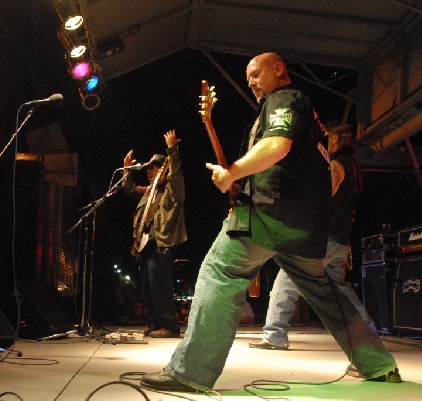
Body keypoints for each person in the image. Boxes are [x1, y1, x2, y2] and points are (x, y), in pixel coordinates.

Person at [140, 52, 400, 392]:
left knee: (220, 273)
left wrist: (232, 172)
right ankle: (379, 365)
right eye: (246, 76)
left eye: (255, 72)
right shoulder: (307, 116)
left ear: (279, 69)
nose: (249, 80)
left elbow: (276, 146)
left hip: (266, 215)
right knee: (328, 294)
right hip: (303, 228)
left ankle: (191, 373)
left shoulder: (285, 98)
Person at [249, 121, 376, 351]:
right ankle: (369, 330)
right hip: (341, 238)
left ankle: (275, 334)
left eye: (328, 137)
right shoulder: (356, 167)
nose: (325, 141)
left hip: (323, 237)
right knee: (340, 290)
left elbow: (323, 197)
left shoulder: (337, 165)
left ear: (335, 140)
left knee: (287, 278)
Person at [122, 129, 187, 338]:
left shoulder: (172, 188)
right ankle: (152, 323)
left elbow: (175, 170)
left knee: (160, 286)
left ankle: (169, 325)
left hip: (163, 241)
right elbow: (130, 190)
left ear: (163, 169)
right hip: (147, 244)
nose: (149, 172)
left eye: (153, 168)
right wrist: (126, 169)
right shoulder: (150, 192)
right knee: (147, 286)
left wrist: (172, 150)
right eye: (148, 169)